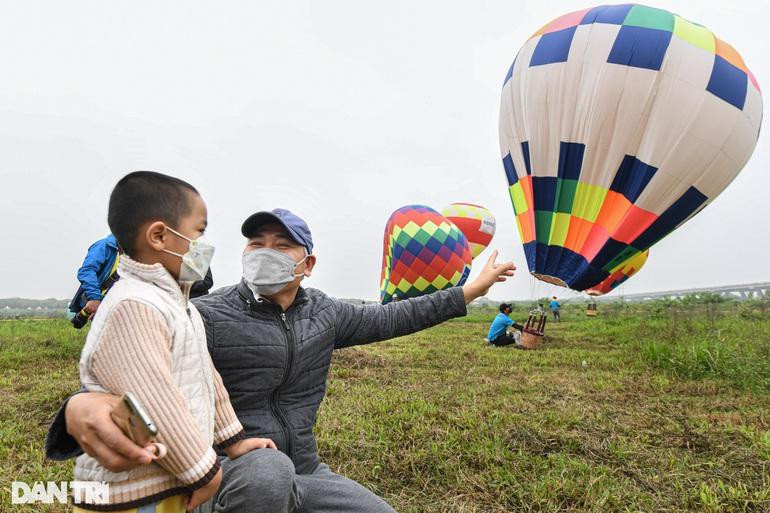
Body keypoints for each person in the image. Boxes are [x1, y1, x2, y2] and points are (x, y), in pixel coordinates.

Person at [46, 208, 516, 513]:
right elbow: (133, 363)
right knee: (267, 473)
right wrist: (82, 405)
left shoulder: (326, 313)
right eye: (256, 243)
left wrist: (469, 292)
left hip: (304, 468)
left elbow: (394, 316)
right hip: (228, 472)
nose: (265, 253)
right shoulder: (205, 314)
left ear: (307, 264)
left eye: (282, 245)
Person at [69, 171, 276, 512]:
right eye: (199, 232)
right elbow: (155, 401)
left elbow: (206, 377)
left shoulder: (178, 305)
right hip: (133, 490)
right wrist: (204, 471)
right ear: (159, 236)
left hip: (168, 478)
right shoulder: (135, 305)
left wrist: (233, 441)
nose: (203, 246)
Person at [68, 234, 121, 320]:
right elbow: (87, 271)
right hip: (102, 303)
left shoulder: (137, 253)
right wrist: (94, 298)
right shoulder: (104, 246)